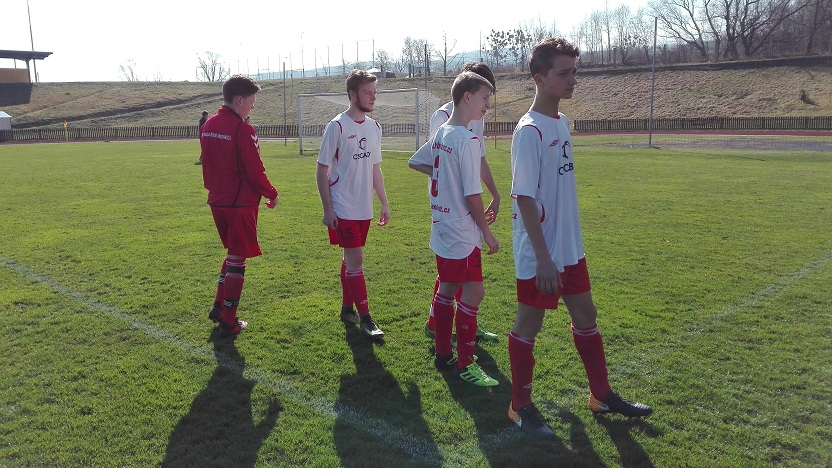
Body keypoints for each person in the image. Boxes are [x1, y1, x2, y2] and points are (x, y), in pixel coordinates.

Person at [507, 37, 652, 438]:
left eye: (575, 71)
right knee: (529, 324)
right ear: (539, 78)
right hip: (542, 253)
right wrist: (543, 258)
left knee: (586, 316)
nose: (573, 79)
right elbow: (523, 198)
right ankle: (519, 406)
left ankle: (601, 395)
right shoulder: (529, 131)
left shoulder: (562, 122)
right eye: (564, 73)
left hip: (569, 248)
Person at [408, 71, 499, 386]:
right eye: (485, 98)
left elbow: (415, 161)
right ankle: (465, 364)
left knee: (449, 289)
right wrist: (487, 233)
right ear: (467, 97)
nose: (488, 106)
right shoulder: (467, 139)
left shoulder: (443, 133)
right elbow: (472, 194)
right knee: (473, 292)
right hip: (462, 230)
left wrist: (443, 177)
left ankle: (444, 353)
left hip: (441, 224)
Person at [201, 75, 279, 337]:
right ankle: (229, 322)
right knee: (237, 259)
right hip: (239, 202)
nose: (253, 107)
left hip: (217, 201)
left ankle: (218, 307)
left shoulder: (208, 125)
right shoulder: (244, 130)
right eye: (252, 101)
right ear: (239, 100)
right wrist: (271, 193)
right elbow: (254, 170)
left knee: (233, 253)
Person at [315, 69, 390, 339]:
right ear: (352, 94)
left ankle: (347, 308)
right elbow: (321, 170)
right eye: (367, 93)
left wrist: (384, 202)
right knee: (356, 260)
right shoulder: (336, 127)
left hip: (363, 208)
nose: (373, 98)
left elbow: (375, 168)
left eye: (374, 93)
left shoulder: (374, 127)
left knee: (349, 259)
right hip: (342, 206)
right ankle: (366, 319)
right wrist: (327, 209)